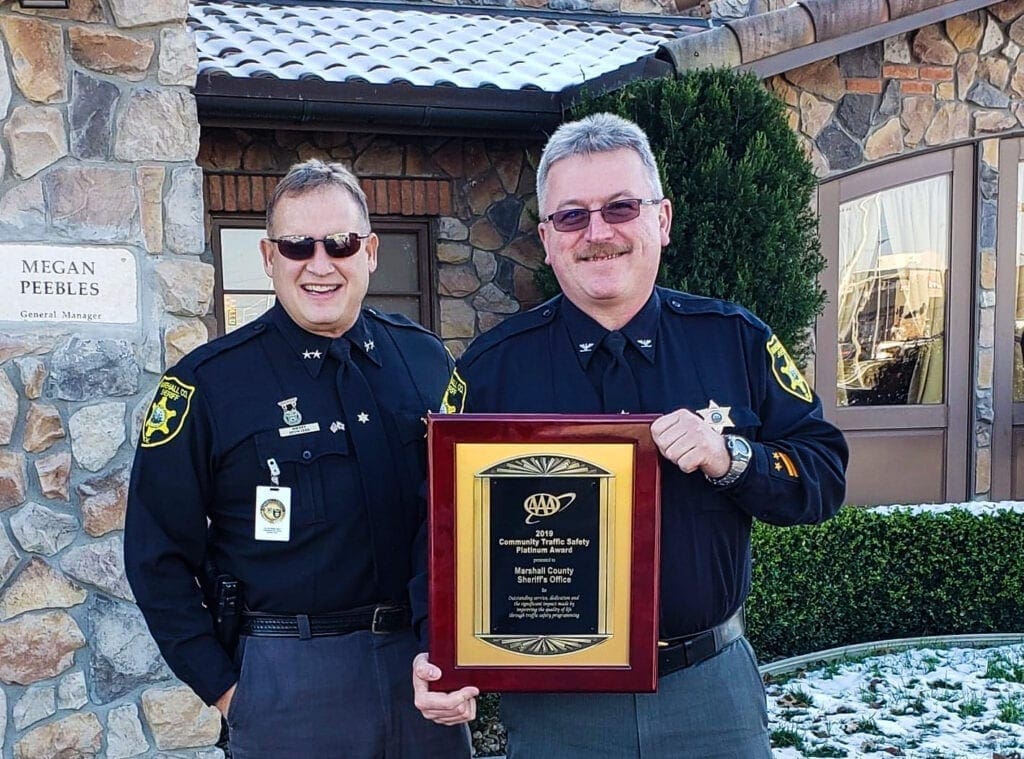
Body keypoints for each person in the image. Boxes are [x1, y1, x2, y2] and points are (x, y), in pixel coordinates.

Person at [412, 113, 848, 758]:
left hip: (708, 693)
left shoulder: (735, 341)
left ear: (662, 220)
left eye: (621, 207)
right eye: (571, 216)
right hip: (557, 701)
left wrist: (731, 457)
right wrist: (438, 648)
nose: (598, 233)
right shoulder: (491, 368)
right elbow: (439, 528)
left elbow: (822, 478)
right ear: (547, 237)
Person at [125, 160, 471, 759]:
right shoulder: (208, 385)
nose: (319, 264)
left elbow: (463, 516)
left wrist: (457, 647)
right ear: (267, 257)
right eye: (296, 246)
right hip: (289, 680)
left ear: (370, 251)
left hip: (422, 670)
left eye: (340, 243)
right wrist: (229, 689)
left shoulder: (426, 362)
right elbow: (156, 554)